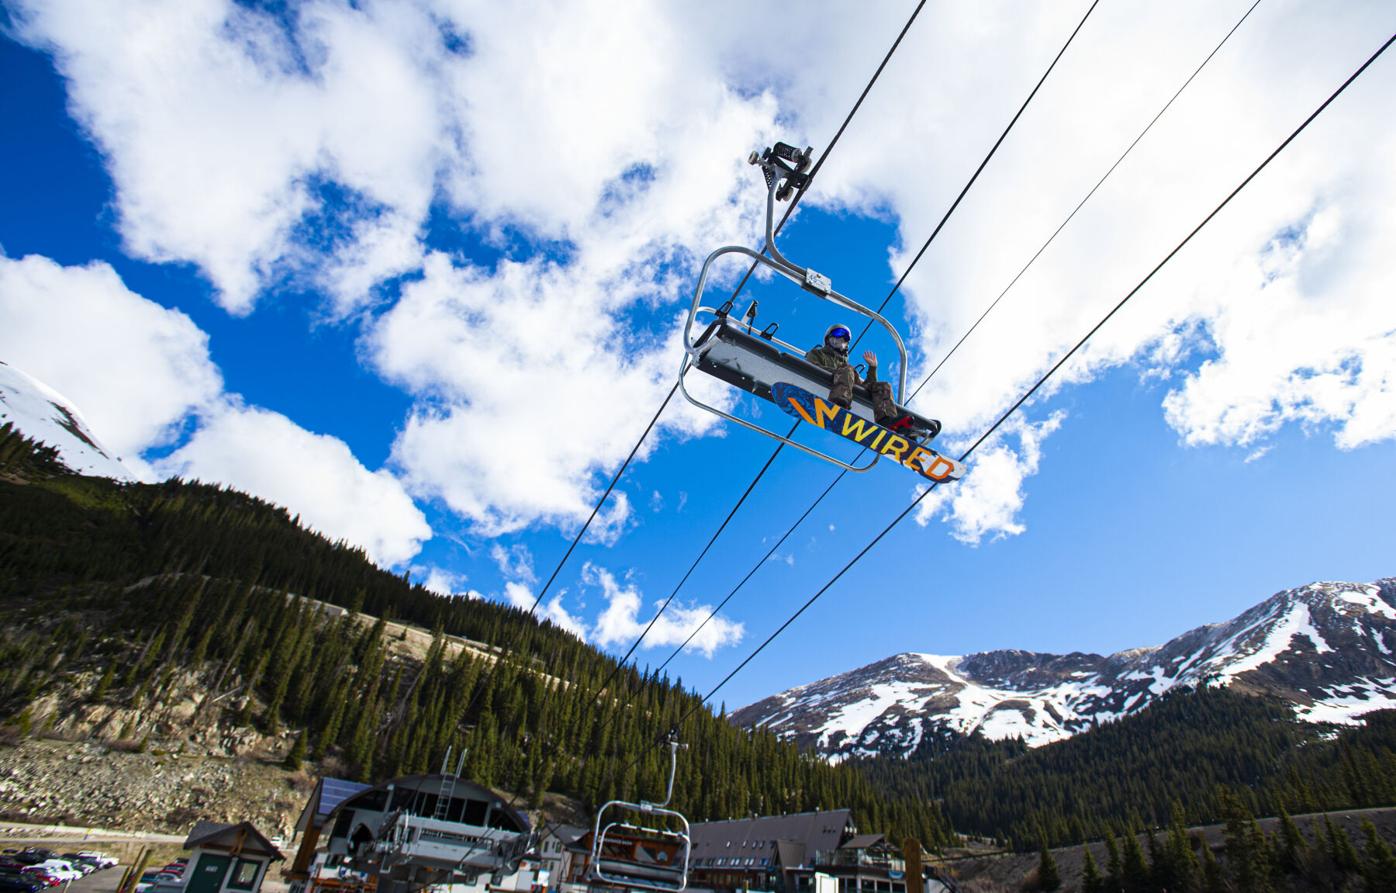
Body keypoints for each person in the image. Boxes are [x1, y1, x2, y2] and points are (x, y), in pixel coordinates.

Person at [804, 323, 901, 426]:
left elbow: (865, 387)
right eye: (837, 334)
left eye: (844, 338)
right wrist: (839, 372)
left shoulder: (848, 368)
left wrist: (872, 368)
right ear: (828, 338)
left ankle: (887, 419)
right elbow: (811, 366)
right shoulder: (818, 353)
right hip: (825, 383)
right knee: (848, 369)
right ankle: (838, 403)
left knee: (883, 386)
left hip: (846, 383)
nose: (840, 338)